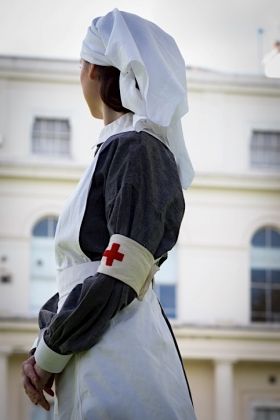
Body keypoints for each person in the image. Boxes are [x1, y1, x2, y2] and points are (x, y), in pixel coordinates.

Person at [22, 8, 197, 420]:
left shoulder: (138, 147)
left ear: (97, 71)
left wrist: (51, 350)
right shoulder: (119, 147)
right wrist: (44, 345)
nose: (79, 73)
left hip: (120, 357)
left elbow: (121, 272)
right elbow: (84, 273)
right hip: (95, 346)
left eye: (81, 63)